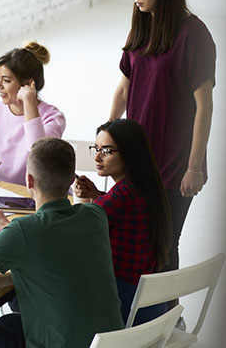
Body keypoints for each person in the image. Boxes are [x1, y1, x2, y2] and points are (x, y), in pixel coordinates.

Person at [0, 138, 123, 348]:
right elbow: (58, 246)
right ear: (71, 180)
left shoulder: (23, 231)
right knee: (8, 321)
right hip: (109, 342)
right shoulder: (96, 215)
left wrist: (14, 277)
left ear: (29, 181)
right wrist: (22, 274)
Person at [109, 0, 216, 276]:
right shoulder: (140, 27)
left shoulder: (194, 35)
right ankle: (142, 314)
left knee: (165, 244)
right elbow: (124, 89)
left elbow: (204, 106)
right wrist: (108, 139)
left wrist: (194, 167)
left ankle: (168, 314)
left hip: (174, 163)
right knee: (137, 239)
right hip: (137, 155)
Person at [74, 119, 171, 325]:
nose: (98, 157)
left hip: (125, 307)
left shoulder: (120, 197)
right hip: (150, 304)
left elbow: (71, 228)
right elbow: (121, 210)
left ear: (129, 153)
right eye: (96, 149)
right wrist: (97, 195)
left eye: (107, 151)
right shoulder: (144, 186)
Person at [0, 41, 66, 185]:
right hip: (1, 192)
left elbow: (39, 154)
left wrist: (29, 101)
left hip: (38, 196)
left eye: (6, 80)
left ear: (28, 84)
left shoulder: (52, 117)